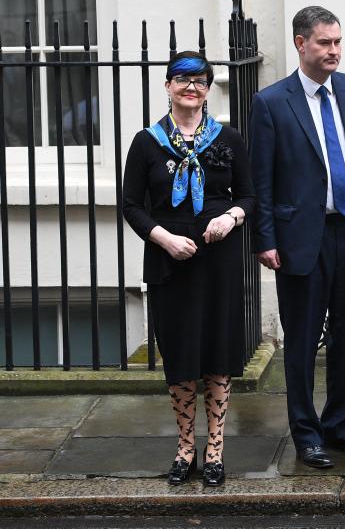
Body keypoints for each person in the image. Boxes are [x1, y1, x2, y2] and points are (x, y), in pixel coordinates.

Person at [248, 6, 345, 469]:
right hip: (300, 239)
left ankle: (342, 426)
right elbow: (261, 180)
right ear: (300, 43)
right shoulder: (272, 102)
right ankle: (307, 434)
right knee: (304, 341)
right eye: (324, 43)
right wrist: (265, 239)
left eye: (337, 42)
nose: (334, 51)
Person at [122, 51, 255, 487]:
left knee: (218, 351)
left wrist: (229, 217)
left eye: (199, 81)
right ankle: (185, 447)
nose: (191, 88)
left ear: (207, 89)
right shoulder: (146, 142)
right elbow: (131, 205)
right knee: (180, 355)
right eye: (182, 80)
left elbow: (249, 196)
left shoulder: (227, 138)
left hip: (218, 259)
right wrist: (163, 238)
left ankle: (214, 450)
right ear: (168, 87)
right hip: (170, 260)